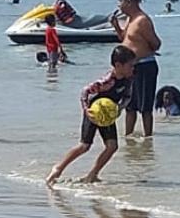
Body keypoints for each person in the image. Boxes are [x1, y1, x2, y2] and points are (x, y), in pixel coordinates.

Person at [45, 45, 136, 186]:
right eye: (130, 66)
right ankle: (58, 168)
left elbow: (127, 97)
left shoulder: (129, 79)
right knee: (84, 146)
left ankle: (92, 175)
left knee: (112, 146)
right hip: (94, 111)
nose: (133, 69)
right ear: (118, 65)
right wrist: (86, 109)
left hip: (107, 114)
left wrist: (119, 108)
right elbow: (85, 92)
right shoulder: (107, 81)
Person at [111, 0, 161, 137]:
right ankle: (128, 137)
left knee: (145, 107)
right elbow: (124, 38)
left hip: (145, 65)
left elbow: (156, 44)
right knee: (129, 105)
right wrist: (115, 25)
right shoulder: (129, 19)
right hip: (130, 68)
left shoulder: (142, 20)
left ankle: (148, 138)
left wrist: (142, 52)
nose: (118, 5)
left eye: (120, 1)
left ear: (129, 2)